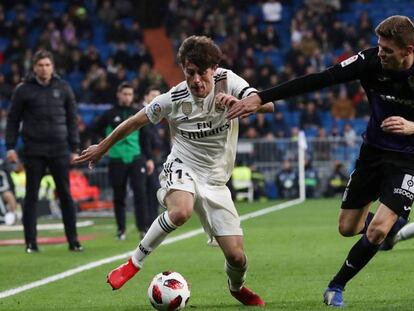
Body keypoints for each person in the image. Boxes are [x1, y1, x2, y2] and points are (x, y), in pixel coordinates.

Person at [227, 15, 414, 307]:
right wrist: (262, 97)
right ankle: (389, 227)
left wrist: (413, 127)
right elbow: (320, 79)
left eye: (388, 51)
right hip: (373, 154)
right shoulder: (369, 61)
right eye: (379, 47)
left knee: (377, 229)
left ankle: (336, 286)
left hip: (408, 160)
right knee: (347, 228)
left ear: (408, 50)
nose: (381, 54)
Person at [74, 35, 274, 306]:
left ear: (214, 69)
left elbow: (268, 104)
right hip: (183, 165)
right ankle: (134, 263)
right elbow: (134, 121)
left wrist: (242, 104)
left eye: (202, 73)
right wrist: (102, 146)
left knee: (237, 257)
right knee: (181, 211)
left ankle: (236, 287)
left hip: (215, 180)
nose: (196, 81)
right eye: (189, 73)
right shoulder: (174, 98)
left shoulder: (229, 81)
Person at [6, 49, 83, 253]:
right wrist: (10, 147)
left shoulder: (64, 88)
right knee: (31, 197)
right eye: (40, 65)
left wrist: (74, 148)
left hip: (59, 149)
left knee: (65, 195)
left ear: (53, 67)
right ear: (34, 67)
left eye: (48, 65)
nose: (44, 68)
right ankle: (31, 242)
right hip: (34, 150)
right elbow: (13, 120)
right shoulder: (23, 90)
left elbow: (72, 120)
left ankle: (73, 241)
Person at [91, 82, 154, 240]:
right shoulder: (109, 114)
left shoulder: (138, 113)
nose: (127, 97)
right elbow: (94, 130)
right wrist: (101, 148)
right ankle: (121, 230)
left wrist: (149, 158)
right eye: (124, 94)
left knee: (140, 194)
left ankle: (143, 228)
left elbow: (145, 137)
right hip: (116, 159)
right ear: (119, 94)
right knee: (119, 196)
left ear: (133, 96)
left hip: (136, 157)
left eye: (130, 94)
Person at [138, 86, 163, 226]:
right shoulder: (142, 113)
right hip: (143, 158)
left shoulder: (154, 114)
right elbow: (144, 138)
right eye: (153, 95)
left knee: (151, 190)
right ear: (146, 96)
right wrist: (148, 158)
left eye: (158, 96)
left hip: (150, 158)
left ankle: (150, 221)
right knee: (149, 190)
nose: (156, 99)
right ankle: (148, 222)